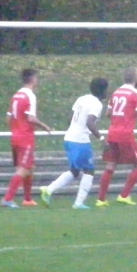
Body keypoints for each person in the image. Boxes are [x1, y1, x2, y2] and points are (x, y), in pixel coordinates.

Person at [96, 67, 137, 207]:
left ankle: (101, 200)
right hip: (125, 135)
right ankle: (124, 196)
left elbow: (108, 113)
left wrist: (120, 119)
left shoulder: (116, 93)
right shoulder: (135, 93)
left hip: (112, 134)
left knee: (111, 165)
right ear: (136, 78)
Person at [40, 78, 108, 210]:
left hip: (69, 138)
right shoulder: (97, 104)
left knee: (75, 170)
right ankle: (78, 203)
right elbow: (90, 122)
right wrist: (101, 138)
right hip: (80, 140)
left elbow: (70, 118)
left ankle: (48, 190)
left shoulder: (81, 99)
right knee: (89, 170)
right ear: (103, 90)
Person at [1, 69, 53, 208]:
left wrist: (16, 128)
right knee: (23, 169)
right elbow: (31, 118)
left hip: (15, 136)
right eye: (37, 78)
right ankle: (7, 199)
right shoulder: (30, 95)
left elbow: (8, 118)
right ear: (33, 79)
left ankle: (27, 199)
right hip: (25, 137)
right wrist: (44, 126)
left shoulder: (16, 95)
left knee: (29, 168)